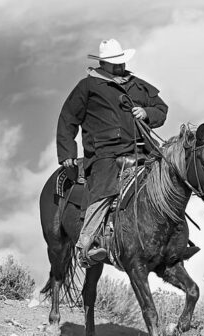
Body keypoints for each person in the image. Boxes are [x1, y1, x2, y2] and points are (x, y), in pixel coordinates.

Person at [56, 38, 168, 268]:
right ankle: (87, 245)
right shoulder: (87, 87)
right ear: (103, 64)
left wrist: (146, 112)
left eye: (121, 62)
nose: (119, 67)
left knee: (167, 179)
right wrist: (67, 151)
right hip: (104, 153)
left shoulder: (138, 85)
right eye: (114, 63)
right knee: (105, 190)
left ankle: (174, 239)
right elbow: (68, 118)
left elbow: (161, 109)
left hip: (142, 148)